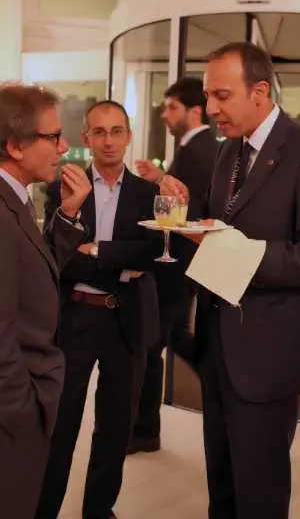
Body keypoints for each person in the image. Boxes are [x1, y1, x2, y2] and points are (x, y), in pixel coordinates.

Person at [160, 42, 300, 519]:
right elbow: (225, 224)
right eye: (208, 95)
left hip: (269, 355)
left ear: (260, 91)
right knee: (222, 486)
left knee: (259, 493)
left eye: (221, 95)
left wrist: (240, 252)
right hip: (218, 346)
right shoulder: (229, 152)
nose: (211, 108)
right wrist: (189, 213)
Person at [36, 100, 161, 519]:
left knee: (116, 426)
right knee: (60, 423)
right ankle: (44, 510)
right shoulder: (63, 187)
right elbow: (58, 257)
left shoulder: (149, 194)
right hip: (76, 316)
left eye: (116, 131)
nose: (109, 141)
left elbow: (153, 255)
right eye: (100, 132)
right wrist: (121, 265)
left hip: (126, 318)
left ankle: (99, 510)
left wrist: (96, 250)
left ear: (129, 136)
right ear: (87, 138)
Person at [0, 83, 91, 519]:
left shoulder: (15, 200)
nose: (65, 147)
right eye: (53, 136)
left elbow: (33, 273)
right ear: (15, 146)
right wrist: (25, 411)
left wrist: (68, 214)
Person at [129, 77, 219, 454]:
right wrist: (160, 179)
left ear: (194, 111)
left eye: (172, 107)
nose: (164, 114)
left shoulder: (201, 149)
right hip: (180, 265)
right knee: (173, 336)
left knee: (151, 345)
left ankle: (144, 431)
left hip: (177, 264)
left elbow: (191, 209)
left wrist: (160, 186)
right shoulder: (194, 148)